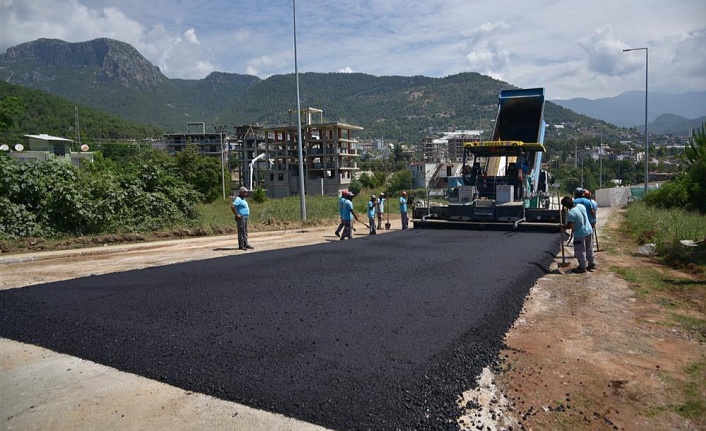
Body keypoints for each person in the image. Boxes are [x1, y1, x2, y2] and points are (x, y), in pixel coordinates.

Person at [560, 195, 594, 273]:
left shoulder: (571, 213)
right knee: (589, 248)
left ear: (565, 206)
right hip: (589, 230)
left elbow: (570, 226)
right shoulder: (581, 206)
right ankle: (591, 264)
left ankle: (582, 267)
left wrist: (563, 226)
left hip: (580, 233)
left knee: (580, 250)